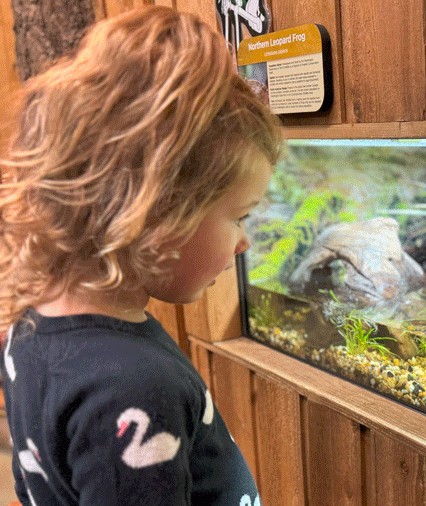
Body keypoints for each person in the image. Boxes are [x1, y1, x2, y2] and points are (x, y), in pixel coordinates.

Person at [0, 5, 282, 505]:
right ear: (156, 212)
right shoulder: (131, 389)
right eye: (239, 216)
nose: (245, 243)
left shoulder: (30, 322)